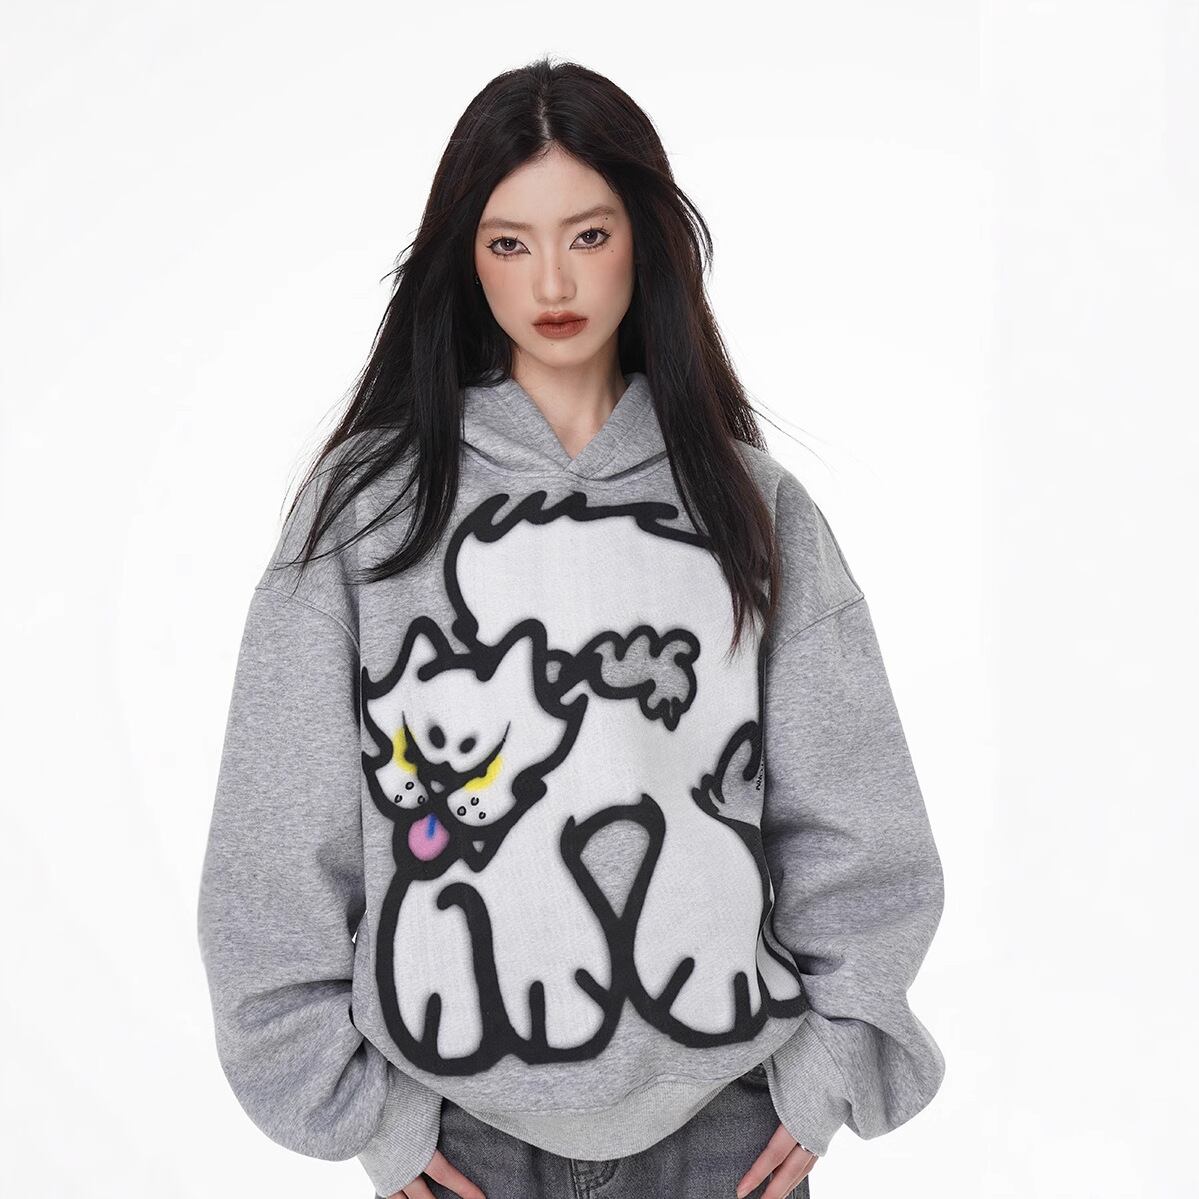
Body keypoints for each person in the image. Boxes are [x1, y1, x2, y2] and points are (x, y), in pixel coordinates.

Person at [196, 56, 946, 1199]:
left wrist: (830, 1065)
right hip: (462, 1136)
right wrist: (361, 1113)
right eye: (509, 242)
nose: (551, 279)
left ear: (644, 239)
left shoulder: (751, 504)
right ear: (465, 258)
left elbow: (855, 820)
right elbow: (277, 840)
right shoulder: (369, 511)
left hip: (727, 1125)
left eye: (587, 235)